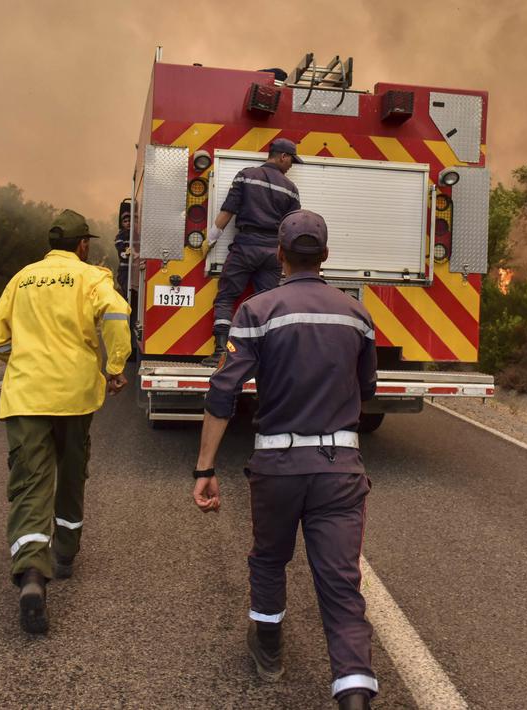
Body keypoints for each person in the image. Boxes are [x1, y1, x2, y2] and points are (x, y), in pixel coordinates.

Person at [191, 210, 379, 709]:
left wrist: (205, 468)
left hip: (277, 468)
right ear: (326, 256)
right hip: (340, 468)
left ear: (279, 256)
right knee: (340, 582)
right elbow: (367, 390)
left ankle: (268, 647)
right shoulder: (357, 316)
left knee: (269, 560)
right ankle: (355, 689)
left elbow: (223, 390)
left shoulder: (256, 312)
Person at [0, 208, 131, 635]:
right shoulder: (91, 278)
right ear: (82, 245)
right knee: (70, 473)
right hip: (75, 394)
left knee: (30, 482)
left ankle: (31, 575)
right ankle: (64, 554)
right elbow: (118, 315)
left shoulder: (22, 278)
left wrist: (24, 359)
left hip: (25, 395)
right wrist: (116, 365)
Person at [201, 137, 304, 367]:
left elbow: (227, 211)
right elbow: (292, 226)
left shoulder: (245, 176)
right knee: (266, 304)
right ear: (282, 156)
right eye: (291, 161)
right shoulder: (291, 189)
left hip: (245, 246)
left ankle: (220, 352)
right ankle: (262, 357)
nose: (291, 166)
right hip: (272, 252)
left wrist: (210, 240)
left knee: (227, 296)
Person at [113, 204, 140, 359]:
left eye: (132, 220)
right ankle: (125, 346)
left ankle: (133, 344)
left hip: (136, 274)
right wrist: (130, 253)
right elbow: (123, 253)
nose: (129, 223)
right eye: (125, 220)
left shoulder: (138, 235)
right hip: (125, 274)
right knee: (127, 308)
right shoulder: (121, 236)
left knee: (135, 310)